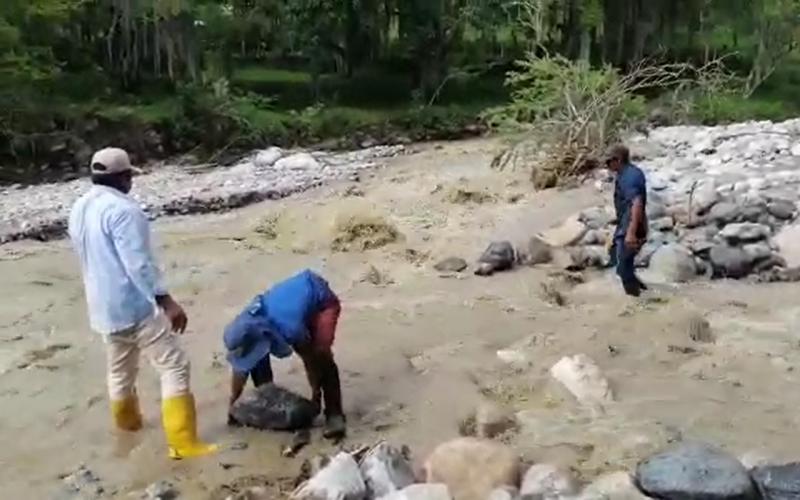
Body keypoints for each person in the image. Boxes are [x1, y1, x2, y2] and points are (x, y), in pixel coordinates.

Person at [68, 147, 217, 459]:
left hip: (102, 309)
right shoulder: (124, 211)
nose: (131, 183)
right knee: (174, 365)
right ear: (123, 177)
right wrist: (166, 301)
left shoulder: (79, 206)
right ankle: (184, 445)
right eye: (129, 177)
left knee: (120, 370)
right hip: (134, 306)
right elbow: (138, 264)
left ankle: (128, 429)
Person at [224, 269, 346, 440]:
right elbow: (240, 370)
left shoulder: (290, 327)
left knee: (321, 356)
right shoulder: (247, 322)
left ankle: (335, 414)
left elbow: (310, 360)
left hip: (320, 298)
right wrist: (233, 407)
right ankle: (268, 402)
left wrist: (315, 398)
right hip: (287, 304)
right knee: (257, 361)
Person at [605, 144, 649, 297]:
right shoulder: (625, 173)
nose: (607, 166)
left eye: (608, 162)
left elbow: (636, 203)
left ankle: (636, 301)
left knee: (623, 266)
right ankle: (644, 291)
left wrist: (631, 232)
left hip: (633, 226)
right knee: (616, 259)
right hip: (625, 224)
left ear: (617, 160)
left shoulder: (630, 177)